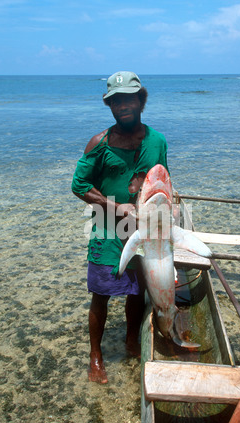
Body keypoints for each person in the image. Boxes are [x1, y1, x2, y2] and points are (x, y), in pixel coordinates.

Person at [72, 71, 169, 384]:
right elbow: (79, 185)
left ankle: (131, 340)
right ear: (109, 105)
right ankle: (96, 355)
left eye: (129, 98)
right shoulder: (99, 143)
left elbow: (163, 181)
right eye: (116, 101)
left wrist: (171, 210)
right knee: (101, 293)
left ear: (141, 100)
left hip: (146, 231)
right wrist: (115, 208)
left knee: (136, 290)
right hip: (106, 229)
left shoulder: (158, 141)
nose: (122, 105)